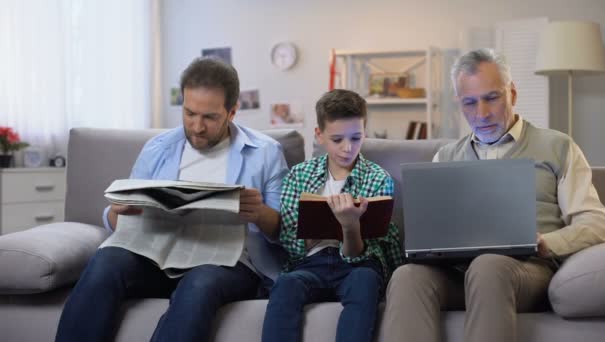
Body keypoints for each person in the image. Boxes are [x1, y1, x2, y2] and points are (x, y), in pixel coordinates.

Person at [55, 57, 289, 342]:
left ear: (232, 112)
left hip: (228, 264)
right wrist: (120, 212)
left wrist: (259, 212)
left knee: (200, 282)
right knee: (107, 259)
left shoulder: (265, 152)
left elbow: (283, 231)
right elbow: (122, 220)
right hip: (158, 257)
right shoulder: (158, 148)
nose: (197, 126)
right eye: (190, 113)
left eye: (210, 117)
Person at [382, 48, 605, 342]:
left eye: (492, 98)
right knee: (407, 276)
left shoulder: (558, 146)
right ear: (459, 104)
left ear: (512, 94)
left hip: (526, 271)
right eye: (470, 103)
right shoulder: (446, 156)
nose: (482, 114)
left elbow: (596, 224)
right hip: (458, 273)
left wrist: (546, 243)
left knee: (488, 265)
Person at [261, 89, 404, 342]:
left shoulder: (377, 178)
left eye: (356, 138)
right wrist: (318, 230)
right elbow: (293, 246)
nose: (347, 148)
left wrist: (350, 227)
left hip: (356, 265)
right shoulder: (299, 176)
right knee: (286, 285)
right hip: (310, 264)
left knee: (365, 281)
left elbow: (363, 254)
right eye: (337, 139)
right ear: (319, 135)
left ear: (365, 132)